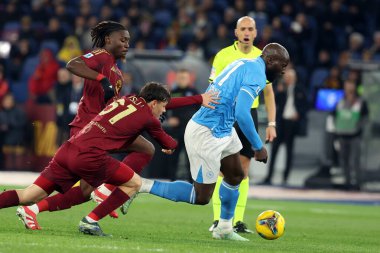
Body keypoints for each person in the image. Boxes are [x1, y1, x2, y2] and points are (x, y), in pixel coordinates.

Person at [16, 21, 218, 229]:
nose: (127, 44)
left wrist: (197, 99)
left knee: (50, 194)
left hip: (100, 129)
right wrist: (102, 79)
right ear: (108, 40)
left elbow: (154, 102)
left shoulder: (118, 73)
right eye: (123, 40)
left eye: (128, 41)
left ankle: (40, 208)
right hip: (89, 128)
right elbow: (73, 64)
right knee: (140, 154)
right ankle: (102, 195)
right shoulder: (102, 56)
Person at [137, 43, 290, 241]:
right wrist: (258, 146)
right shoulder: (257, 75)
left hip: (222, 129)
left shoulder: (245, 63)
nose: (284, 70)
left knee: (235, 175)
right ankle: (141, 185)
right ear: (270, 60)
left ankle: (224, 229)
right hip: (206, 132)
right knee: (201, 197)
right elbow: (242, 113)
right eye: (282, 65)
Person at [0, 82, 176, 236]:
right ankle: (92, 216)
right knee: (134, 183)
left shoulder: (128, 98)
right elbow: (169, 143)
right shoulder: (149, 118)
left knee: (30, 195)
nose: (164, 110)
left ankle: (100, 192)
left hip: (68, 149)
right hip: (90, 156)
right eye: (163, 106)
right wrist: (168, 139)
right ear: (154, 103)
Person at [208, 16, 277, 233]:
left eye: (250, 29)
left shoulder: (261, 57)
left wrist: (272, 123)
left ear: (256, 33)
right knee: (223, 168)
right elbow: (212, 89)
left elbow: (268, 93)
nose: (247, 33)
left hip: (249, 114)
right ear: (236, 33)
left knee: (244, 168)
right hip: (226, 113)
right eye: (243, 29)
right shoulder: (223, 56)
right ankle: (219, 219)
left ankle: (237, 220)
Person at [261, 68, 309, 185]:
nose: (286, 79)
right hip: (281, 122)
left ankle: (285, 178)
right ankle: (269, 177)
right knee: (275, 149)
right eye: (285, 77)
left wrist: (299, 114)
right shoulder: (281, 89)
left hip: (291, 123)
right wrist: (280, 91)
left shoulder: (300, 89)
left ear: (294, 78)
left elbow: (305, 106)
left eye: (289, 77)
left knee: (289, 151)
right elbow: (274, 101)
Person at [334, 80, 368, 190]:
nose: (348, 87)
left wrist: (358, 129)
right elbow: (334, 116)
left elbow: (365, 117)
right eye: (346, 85)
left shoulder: (360, 101)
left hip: (355, 136)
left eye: (350, 85)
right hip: (342, 135)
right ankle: (347, 182)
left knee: (355, 160)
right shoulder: (340, 101)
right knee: (344, 160)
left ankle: (357, 183)